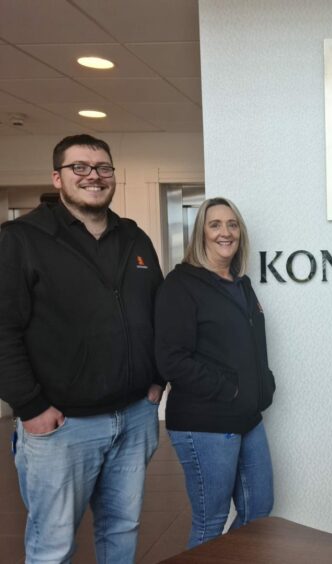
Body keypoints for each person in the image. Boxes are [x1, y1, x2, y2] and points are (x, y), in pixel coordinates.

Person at [0, 134, 164, 562]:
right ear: (58, 178)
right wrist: (30, 406)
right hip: (62, 428)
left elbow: (160, 310)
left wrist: (157, 378)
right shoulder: (21, 239)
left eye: (103, 168)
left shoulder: (134, 238)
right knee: (53, 546)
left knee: (122, 530)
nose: (94, 176)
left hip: (132, 418)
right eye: (81, 168)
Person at [155, 197, 276, 548]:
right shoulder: (181, 285)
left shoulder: (241, 284)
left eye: (232, 224)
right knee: (211, 522)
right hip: (206, 423)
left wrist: (262, 386)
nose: (226, 232)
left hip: (248, 419)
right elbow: (171, 359)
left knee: (259, 513)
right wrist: (231, 390)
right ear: (201, 234)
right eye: (215, 225)